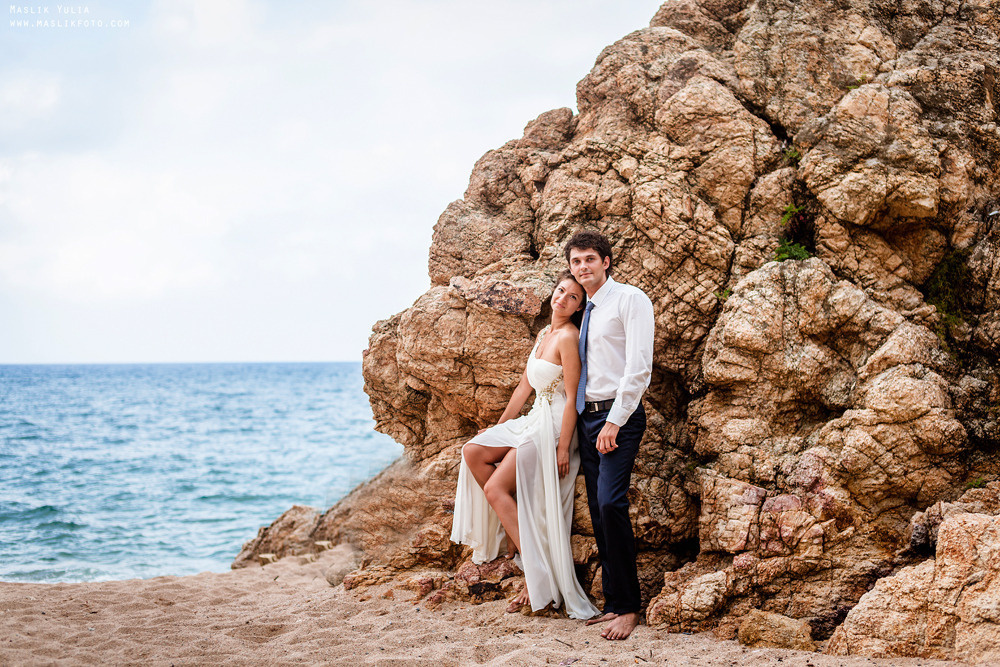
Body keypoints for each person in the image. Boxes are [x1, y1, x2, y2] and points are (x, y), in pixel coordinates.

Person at [450, 270, 600, 620]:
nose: (563, 298)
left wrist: (564, 448)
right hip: (533, 418)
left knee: (495, 489)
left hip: (554, 424)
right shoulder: (543, 333)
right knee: (473, 450)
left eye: (573, 297)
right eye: (561, 291)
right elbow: (523, 388)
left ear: (579, 307)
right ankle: (521, 540)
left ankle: (537, 576)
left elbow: (575, 396)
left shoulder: (569, 337)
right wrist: (500, 429)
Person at [565, 229, 654, 641]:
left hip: (618, 417)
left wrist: (615, 422)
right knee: (599, 514)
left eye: (589, 259)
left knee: (611, 503)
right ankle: (615, 602)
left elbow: (638, 368)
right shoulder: (588, 309)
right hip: (588, 417)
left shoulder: (630, 300)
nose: (583, 267)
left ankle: (630, 608)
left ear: (606, 261)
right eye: (576, 261)